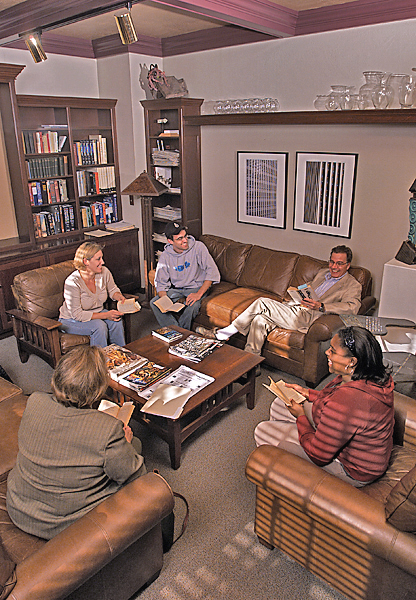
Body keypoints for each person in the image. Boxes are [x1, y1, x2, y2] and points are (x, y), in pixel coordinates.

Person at [6, 345, 146, 539]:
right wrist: (127, 443)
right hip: (60, 524)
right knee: (136, 447)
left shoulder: (35, 400)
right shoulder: (108, 429)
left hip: (19, 507)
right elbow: (136, 476)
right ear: (98, 387)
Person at [254, 326, 394, 486]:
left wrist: (300, 417)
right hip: (355, 443)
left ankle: (283, 469)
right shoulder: (369, 377)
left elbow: (319, 455)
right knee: (280, 403)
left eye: (333, 351)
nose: (327, 352)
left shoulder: (350, 400)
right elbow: (334, 398)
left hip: (354, 469)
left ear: (352, 361)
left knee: (263, 430)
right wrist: (307, 393)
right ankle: (287, 456)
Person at [196, 245, 362, 355]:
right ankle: (250, 361)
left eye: (339, 264)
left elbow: (352, 307)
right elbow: (310, 287)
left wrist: (322, 306)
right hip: (295, 307)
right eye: (332, 262)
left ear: (348, 265)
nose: (334, 267)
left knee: (262, 302)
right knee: (260, 320)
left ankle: (225, 332)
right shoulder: (323, 273)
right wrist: (299, 292)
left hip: (308, 317)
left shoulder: (351, 284)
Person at [150, 222, 220, 330]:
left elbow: (212, 272)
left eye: (185, 236)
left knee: (193, 306)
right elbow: (161, 282)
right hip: (177, 289)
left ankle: (178, 334)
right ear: (170, 241)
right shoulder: (165, 256)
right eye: (179, 238)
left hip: (197, 287)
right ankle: (178, 332)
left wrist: (198, 294)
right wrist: (164, 300)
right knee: (155, 303)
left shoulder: (198, 247)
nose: (185, 240)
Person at [59, 241, 126, 348]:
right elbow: (77, 315)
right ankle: (100, 362)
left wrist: (118, 296)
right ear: (86, 261)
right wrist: (106, 315)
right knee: (99, 327)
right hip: (71, 319)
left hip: (96, 312)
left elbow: (112, 289)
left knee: (116, 322)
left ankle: (122, 356)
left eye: (102, 258)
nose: (103, 262)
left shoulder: (104, 272)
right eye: (98, 259)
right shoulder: (72, 282)